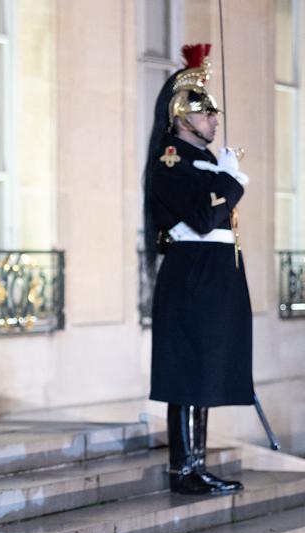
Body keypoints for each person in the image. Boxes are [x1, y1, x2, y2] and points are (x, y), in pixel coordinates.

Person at [144, 44, 250, 495]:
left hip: (211, 277)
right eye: (205, 113)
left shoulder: (203, 162)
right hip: (192, 277)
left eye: (213, 112)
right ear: (182, 117)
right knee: (188, 374)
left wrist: (221, 177)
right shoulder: (172, 160)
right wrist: (231, 181)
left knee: (204, 371)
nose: (214, 119)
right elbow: (205, 217)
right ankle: (184, 470)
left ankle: (197, 466)